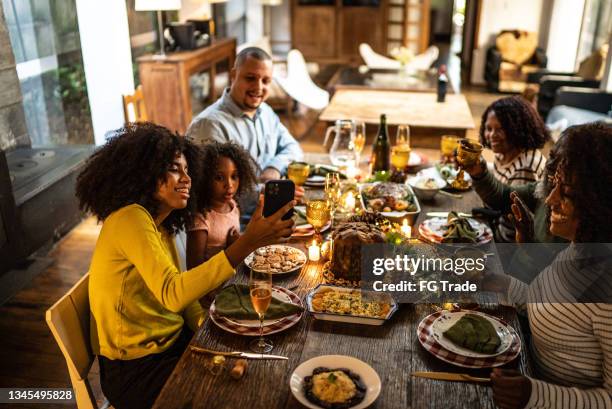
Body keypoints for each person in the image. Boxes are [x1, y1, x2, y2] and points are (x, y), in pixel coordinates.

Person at [76, 123, 294, 409]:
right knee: (241, 395)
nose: (187, 178)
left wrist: (207, 327)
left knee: (262, 366)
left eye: (188, 170)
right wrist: (248, 243)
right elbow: (173, 293)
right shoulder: (130, 219)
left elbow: (182, 295)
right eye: (174, 168)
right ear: (145, 172)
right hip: (135, 369)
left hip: (173, 343)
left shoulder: (160, 226)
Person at [487, 122, 612, 409]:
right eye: (553, 184)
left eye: (566, 192)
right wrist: (497, 281)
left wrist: (534, 394)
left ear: (599, 201)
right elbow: (542, 303)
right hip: (522, 368)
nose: (551, 199)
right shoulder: (579, 249)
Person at [187, 47, 304, 215]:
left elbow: (293, 148)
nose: (258, 87)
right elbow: (209, 192)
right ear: (233, 75)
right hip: (234, 227)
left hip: (270, 212)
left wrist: (274, 168)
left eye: (265, 81)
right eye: (250, 78)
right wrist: (271, 192)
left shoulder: (266, 112)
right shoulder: (208, 125)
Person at [479, 96, 550, 241]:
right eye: (488, 128)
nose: (492, 135)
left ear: (516, 129)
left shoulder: (525, 167)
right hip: (496, 225)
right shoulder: (505, 153)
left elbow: (511, 217)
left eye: (500, 129)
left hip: (507, 242)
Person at [186, 142, 258, 268]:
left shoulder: (233, 205)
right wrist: (233, 248)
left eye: (234, 176)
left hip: (235, 273)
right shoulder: (201, 219)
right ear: (204, 179)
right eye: (219, 178)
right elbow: (194, 269)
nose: (229, 184)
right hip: (214, 285)